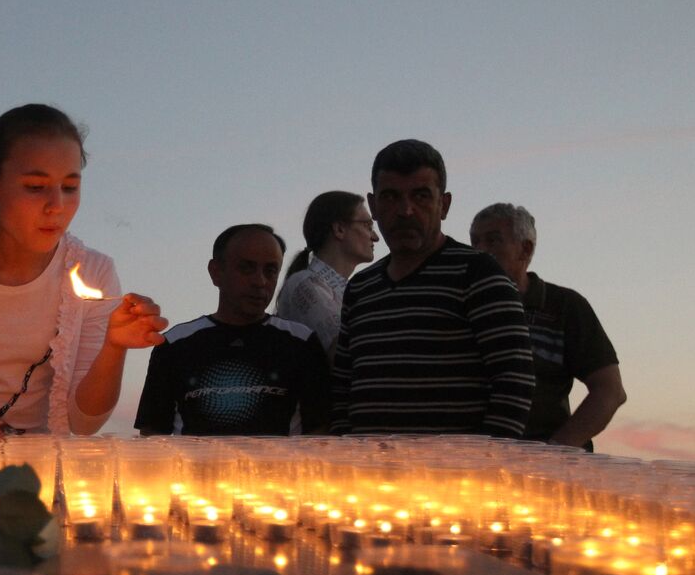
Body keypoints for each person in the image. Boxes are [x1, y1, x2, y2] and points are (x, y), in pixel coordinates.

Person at [0, 104, 166, 436]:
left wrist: (115, 347)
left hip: (41, 475)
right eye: (35, 187)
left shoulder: (95, 271)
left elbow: (84, 423)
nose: (56, 205)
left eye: (70, 187)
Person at [331, 140, 534, 436]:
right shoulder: (361, 288)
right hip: (369, 476)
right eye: (390, 197)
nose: (405, 211)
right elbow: (343, 385)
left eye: (421, 196)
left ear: (444, 205)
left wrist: (486, 466)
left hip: (455, 478)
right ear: (373, 206)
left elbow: (514, 380)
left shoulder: (477, 273)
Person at [135, 224, 330, 436]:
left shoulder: (301, 342)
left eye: (270, 270)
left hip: (283, 469)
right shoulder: (175, 344)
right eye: (246, 268)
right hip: (192, 469)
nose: (260, 281)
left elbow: (320, 431)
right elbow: (152, 434)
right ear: (216, 272)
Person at [470, 203, 624, 450]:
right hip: (469, 464)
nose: (479, 251)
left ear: (525, 249)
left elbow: (609, 390)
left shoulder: (564, 306)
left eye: (493, 241)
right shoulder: (463, 304)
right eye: (475, 242)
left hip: (543, 471)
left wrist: (555, 451)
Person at [275, 191, 377, 354]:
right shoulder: (304, 284)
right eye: (368, 226)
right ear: (339, 229)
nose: (375, 236)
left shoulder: (346, 290)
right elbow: (344, 354)